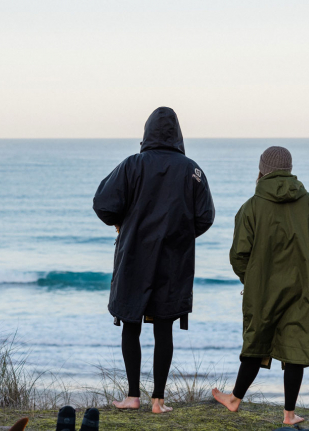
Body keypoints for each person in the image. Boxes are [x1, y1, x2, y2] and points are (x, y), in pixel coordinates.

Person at [92, 107, 215, 413]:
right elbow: (206, 216)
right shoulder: (192, 170)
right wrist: (181, 235)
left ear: (146, 133)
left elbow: (102, 204)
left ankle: (133, 397)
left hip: (134, 256)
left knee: (130, 324)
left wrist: (123, 223)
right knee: (164, 327)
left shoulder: (132, 165)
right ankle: (158, 401)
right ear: (178, 134)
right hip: (173, 260)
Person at [212, 146, 309, 425]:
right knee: (295, 348)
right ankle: (289, 414)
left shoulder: (251, 207)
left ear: (262, 170)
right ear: (289, 170)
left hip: (264, 292)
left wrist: (253, 279)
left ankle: (235, 399)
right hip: (303, 290)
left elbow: (238, 255)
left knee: (256, 342)